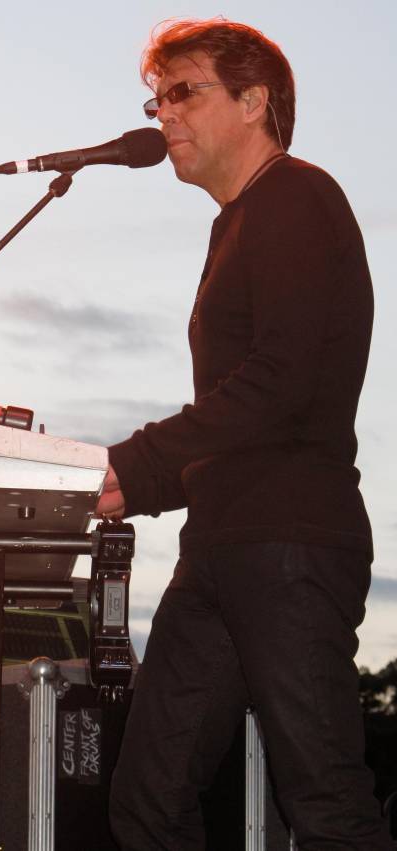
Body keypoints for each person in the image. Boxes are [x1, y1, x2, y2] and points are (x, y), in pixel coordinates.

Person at [96, 18, 393, 851]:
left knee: (327, 805)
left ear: (255, 100)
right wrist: (140, 485)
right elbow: (247, 409)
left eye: (182, 92)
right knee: (148, 801)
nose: (163, 114)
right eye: (155, 99)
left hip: (290, 542)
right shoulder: (235, 224)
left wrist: (141, 457)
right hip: (221, 545)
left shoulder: (298, 197)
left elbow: (280, 380)